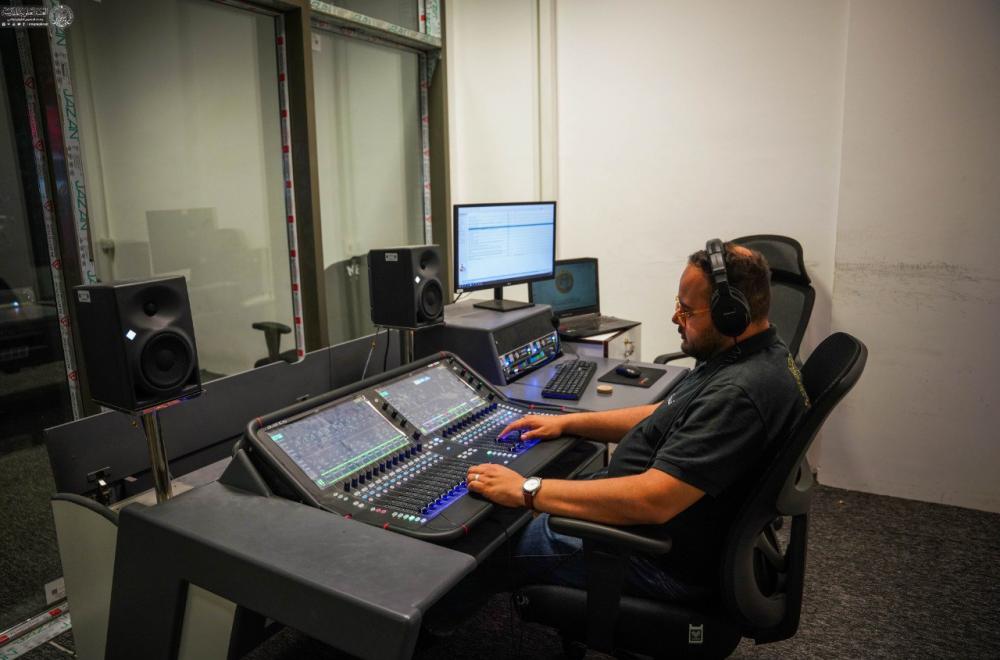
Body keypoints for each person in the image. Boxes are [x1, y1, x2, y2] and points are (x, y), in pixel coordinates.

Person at [464, 241, 811, 602]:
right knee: (536, 498)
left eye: (686, 310)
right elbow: (664, 413)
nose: (675, 318)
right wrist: (569, 423)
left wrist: (526, 490)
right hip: (664, 528)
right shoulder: (753, 354)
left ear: (730, 315)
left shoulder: (739, 394)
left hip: (656, 555)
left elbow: (652, 500)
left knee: (491, 549)